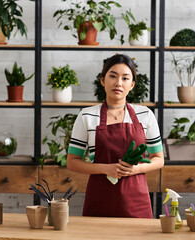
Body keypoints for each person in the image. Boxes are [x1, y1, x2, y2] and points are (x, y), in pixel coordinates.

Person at [67, 54, 164, 218]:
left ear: (132, 85)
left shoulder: (145, 115)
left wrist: (136, 169)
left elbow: (159, 159)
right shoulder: (87, 116)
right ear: (103, 80)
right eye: (113, 76)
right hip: (99, 200)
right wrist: (106, 168)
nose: (118, 83)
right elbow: (72, 162)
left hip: (137, 201)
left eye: (125, 78)